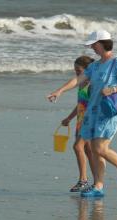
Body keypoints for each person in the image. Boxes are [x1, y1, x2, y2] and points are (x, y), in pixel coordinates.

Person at [76, 30, 117, 197]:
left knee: (100, 148)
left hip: (110, 110)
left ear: (101, 43)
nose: (92, 48)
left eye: (93, 45)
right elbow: (78, 80)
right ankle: (98, 187)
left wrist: (113, 89)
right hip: (95, 109)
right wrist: (59, 91)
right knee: (96, 150)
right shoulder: (94, 65)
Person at [47, 56, 96, 192]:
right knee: (88, 151)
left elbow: (92, 106)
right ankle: (96, 182)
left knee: (77, 147)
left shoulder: (92, 85)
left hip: (89, 120)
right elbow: (81, 104)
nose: (76, 73)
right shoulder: (81, 84)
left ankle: (83, 180)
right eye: (75, 71)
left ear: (87, 70)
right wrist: (69, 118)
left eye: (78, 71)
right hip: (81, 120)